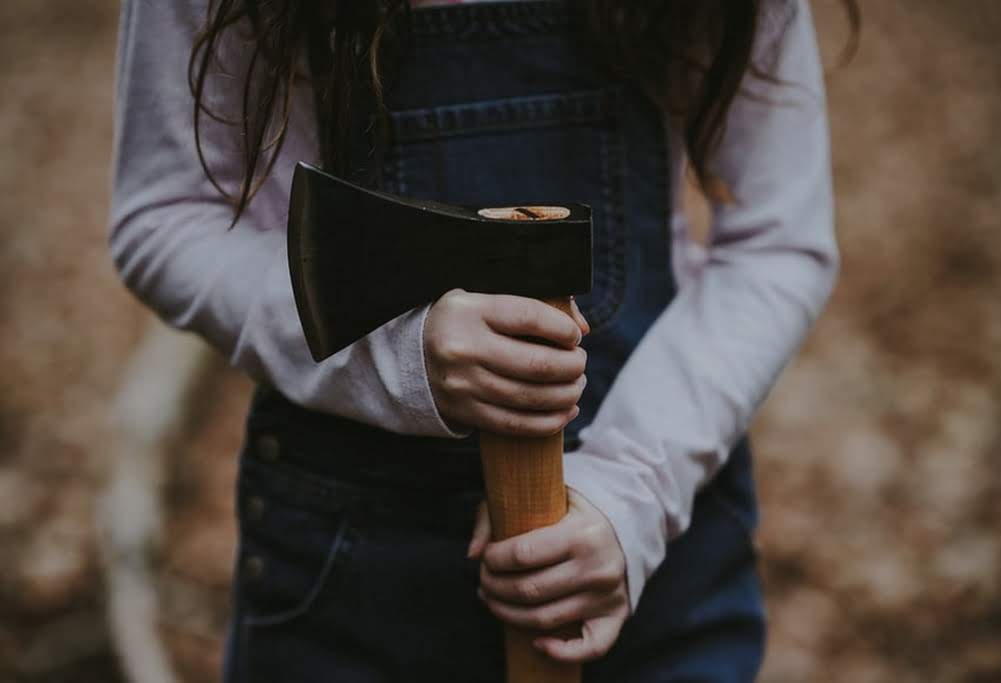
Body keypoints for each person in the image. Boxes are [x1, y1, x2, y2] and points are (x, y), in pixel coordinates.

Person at [108, 0, 850, 680]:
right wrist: (400, 356)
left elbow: (778, 240)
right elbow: (165, 215)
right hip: (349, 576)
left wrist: (631, 492)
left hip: (658, 561)